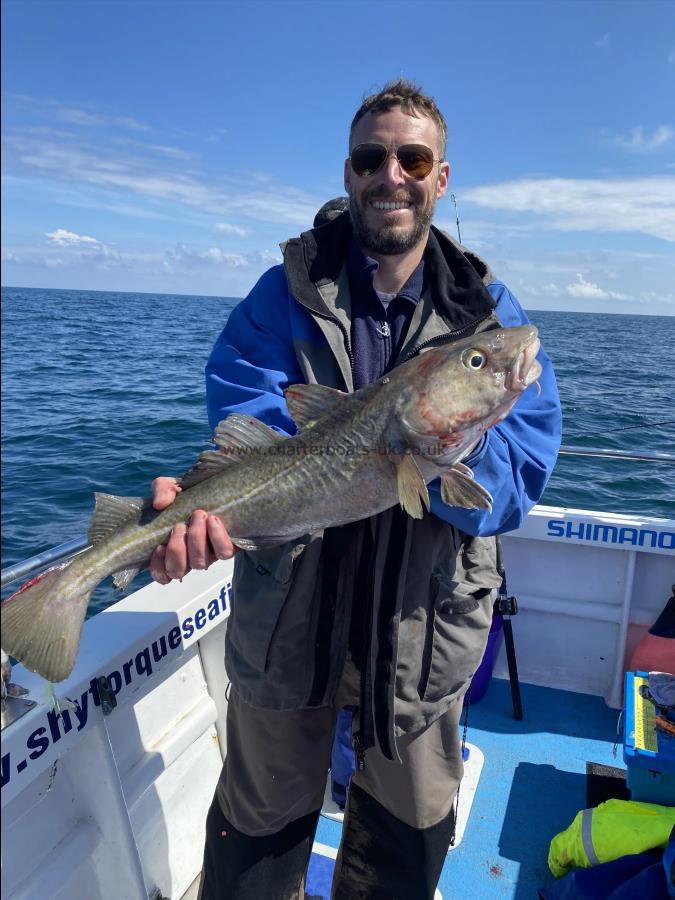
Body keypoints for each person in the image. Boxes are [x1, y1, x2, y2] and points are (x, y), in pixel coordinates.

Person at [150, 79, 562, 899]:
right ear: (348, 173)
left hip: (420, 636)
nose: (392, 175)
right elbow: (247, 421)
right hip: (287, 623)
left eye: (413, 158)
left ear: (440, 179)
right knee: (255, 842)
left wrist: (444, 455)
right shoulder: (283, 295)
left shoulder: (488, 312)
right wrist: (209, 511)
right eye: (372, 158)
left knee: (404, 848)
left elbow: (520, 470)